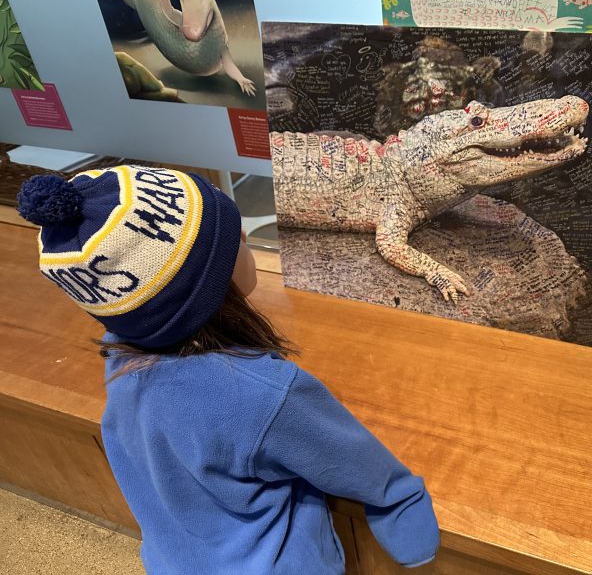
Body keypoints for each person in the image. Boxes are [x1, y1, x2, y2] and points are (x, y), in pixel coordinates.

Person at [16, 166, 440, 574]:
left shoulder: (120, 361)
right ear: (206, 287)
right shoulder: (265, 392)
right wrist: (397, 497)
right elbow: (352, 460)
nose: (244, 236)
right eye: (231, 238)